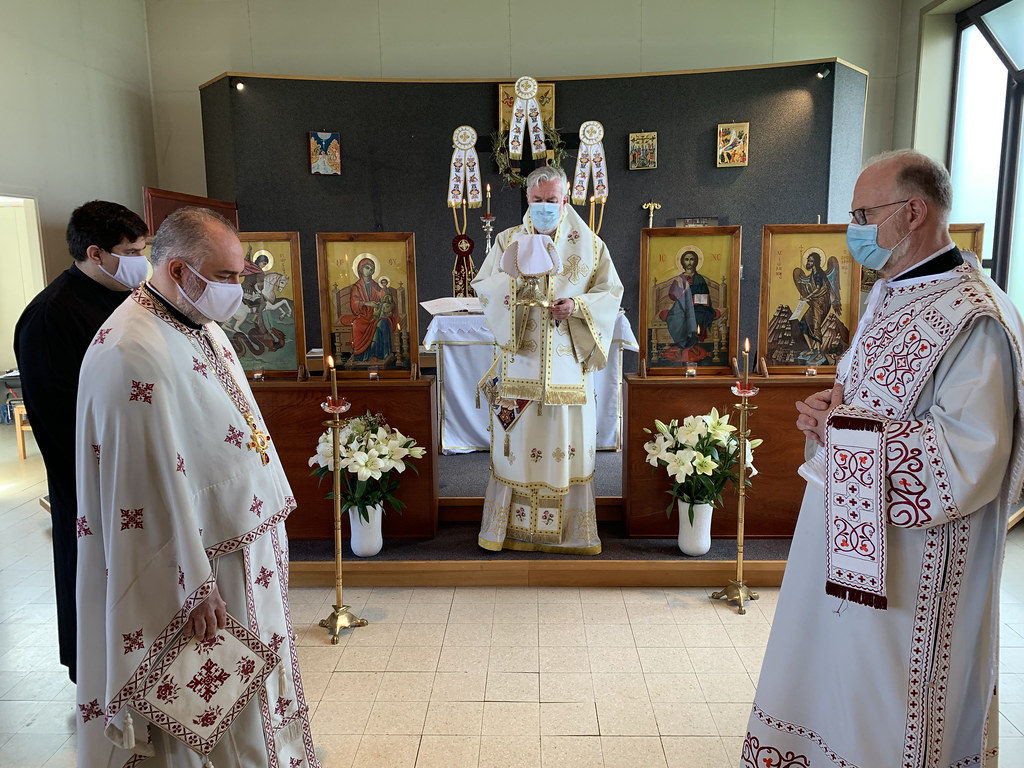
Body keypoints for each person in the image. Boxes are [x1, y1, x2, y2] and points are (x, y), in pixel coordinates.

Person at [744, 150, 1024, 768]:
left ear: (913, 212)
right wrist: (832, 408)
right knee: (831, 679)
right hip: (845, 543)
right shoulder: (890, 294)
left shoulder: (974, 319)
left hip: (914, 570)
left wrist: (843, 435)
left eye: (864, 214)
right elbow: (866, 396)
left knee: (885, 711)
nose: (855, 230)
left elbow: (968, 456)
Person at [75, 207, 318, 767]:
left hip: (238, 552)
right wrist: (191, 582)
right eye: (229, 277)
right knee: (210, 713)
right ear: (181, 271)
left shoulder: (194, 321)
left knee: (253, 701)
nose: (237, 291)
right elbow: (139, 495)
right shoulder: (130, 352)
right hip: (200, 573)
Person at [13, 199, 148, 683]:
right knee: (91, 576)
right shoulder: (50, 315)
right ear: (96, 252)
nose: (141, 258)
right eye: (132, 250)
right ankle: (91, 672)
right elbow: (58, 416)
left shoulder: (126, 298)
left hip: (133, 470)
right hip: (90, 480)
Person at [473, 165, 623, 554]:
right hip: (518, 369)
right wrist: (516, 295)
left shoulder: (590, 246)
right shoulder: (507, 240)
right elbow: (484, 288)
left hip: (567, 373)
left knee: (564, 447)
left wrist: (577, 306)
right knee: (518, 449)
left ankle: (570, 534)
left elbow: (610, 292)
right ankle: (512, 530)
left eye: (551, 201)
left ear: (565, 199)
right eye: (536, 201)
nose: (543, 207)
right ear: (527, 200)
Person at [662, 248, 717, 357]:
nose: (689, 262)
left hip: (698, 308)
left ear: (696, 262)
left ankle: (688, 345)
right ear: (683, 262)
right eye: (686, 259)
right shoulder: (679, 278)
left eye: (692, 259)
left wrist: (692, 300)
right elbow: (672, 296)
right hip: (681, 306)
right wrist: (680, 292)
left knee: (694, 317)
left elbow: (706, 297)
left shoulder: (700, 279)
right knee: (674, 318)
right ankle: (681, 345)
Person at [792, 249, 841, 365]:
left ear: (815, 263)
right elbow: (813, 285)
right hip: (815, 302)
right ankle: (811, 349)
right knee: (803, 323)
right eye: (808, 261)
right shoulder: (813, 274)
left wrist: (806, 297)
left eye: (810, 261)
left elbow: (819, 288)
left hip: (822, 304)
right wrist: (805, 284)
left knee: (816, 327)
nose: (808, 263)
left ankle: (819, 354)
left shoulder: (819, 274)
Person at [346, 257, 395, 362]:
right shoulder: (357, 287)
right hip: (363, 315)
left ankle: (379, 355)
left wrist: (384, 295)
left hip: (375, 315)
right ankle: (362, 357)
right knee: (357, 325)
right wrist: (367, 303)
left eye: (371, 268)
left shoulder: (375, 285)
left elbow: (382, 297)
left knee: (382, 324)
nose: (369, 270)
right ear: (360, 269)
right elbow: (354, 303)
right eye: (367, 268)